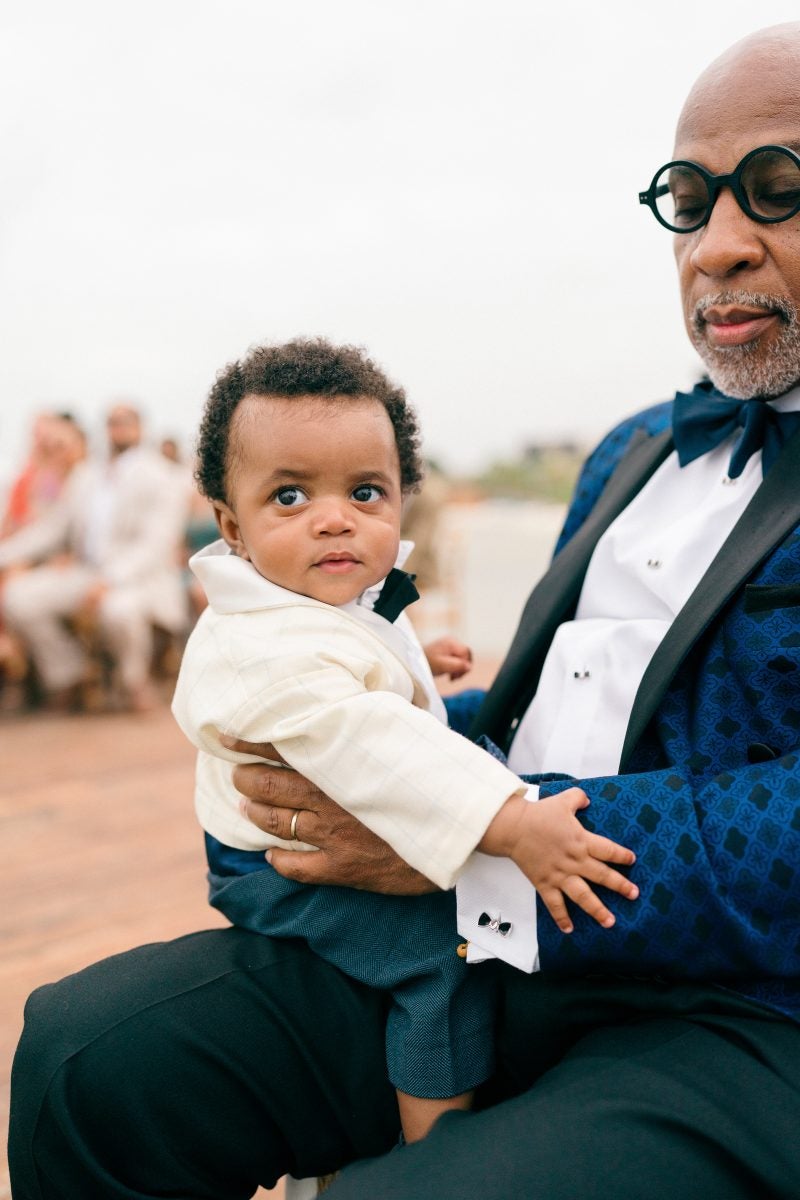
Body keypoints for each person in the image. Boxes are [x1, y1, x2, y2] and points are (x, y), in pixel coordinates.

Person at [9, 21, 800, 1199]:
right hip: (488, 937)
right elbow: (551, 713)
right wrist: (372, 731)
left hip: (748, 1009)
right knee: (83, 1057)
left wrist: (472, 834)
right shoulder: (635, 448)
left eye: (776, 192)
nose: (716, 246)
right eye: (687, 200)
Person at [172, 336, 637, 1143]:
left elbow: (364, 628)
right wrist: (517, 824)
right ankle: (434, 1141)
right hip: (273, 864)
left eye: (365, 492)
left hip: (332, 785)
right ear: (231, 526)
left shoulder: (309, 587)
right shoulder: (268, 650)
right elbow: (381, 750)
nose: (334, 519)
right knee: (437, 959)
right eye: (289, 497)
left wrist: (419, 659)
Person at [0, 403, 191, 711]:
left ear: (140, 427)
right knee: (18, 598)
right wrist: (4, 555)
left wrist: (109, 579)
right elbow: (51, 529)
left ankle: (134, 681)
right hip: (85, 573)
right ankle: (68, 675)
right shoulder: (88, 475)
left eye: (125, 421)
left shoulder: (161, 476)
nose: (118, 428)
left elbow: (156, 544)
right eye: (112, 422)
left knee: (118, 609)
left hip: (140, 578)